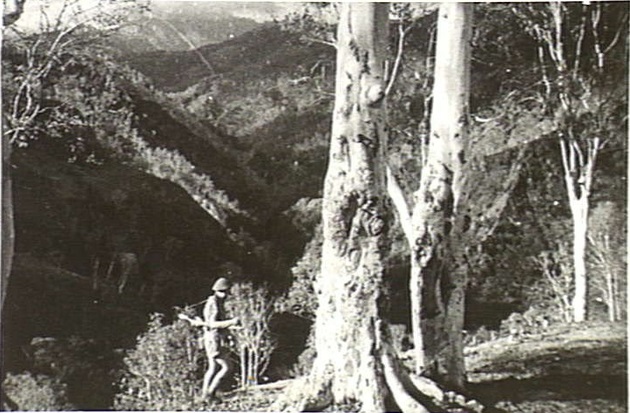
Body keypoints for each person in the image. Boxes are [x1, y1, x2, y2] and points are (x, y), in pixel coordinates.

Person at [200, 277, 239, 399]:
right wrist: (231, 322)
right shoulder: (213, 303)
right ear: (217, 291)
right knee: (227, 367)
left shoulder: (218, 302)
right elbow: (212, 324)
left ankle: (205, 395)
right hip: (213, 339)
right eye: (223, 292)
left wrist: (230, 334)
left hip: (214, 338)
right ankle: (210, 394)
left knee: (213, 368)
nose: (226, 295)